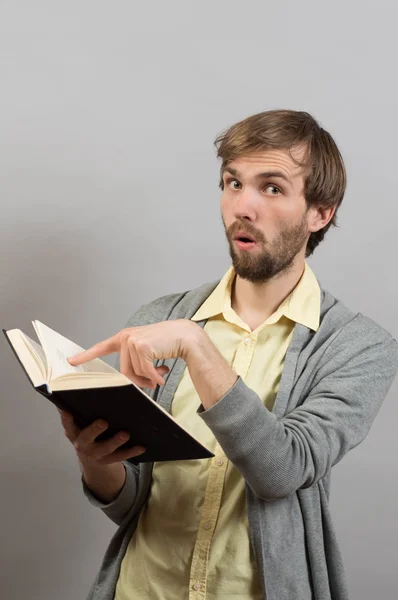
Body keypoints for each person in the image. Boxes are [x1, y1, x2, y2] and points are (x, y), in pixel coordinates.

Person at [59, 109, 398, 600]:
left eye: (272, 188)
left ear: (320, 212)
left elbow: (282, 471)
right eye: (232, 183)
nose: (243, 206)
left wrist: (199, 348)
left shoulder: (359, 347)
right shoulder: (160, 316)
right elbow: (133, 503)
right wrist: (97, 462)